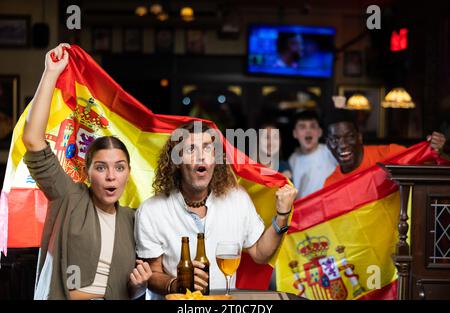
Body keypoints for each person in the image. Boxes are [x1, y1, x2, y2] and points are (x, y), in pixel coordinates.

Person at [22, 43, 151, 299]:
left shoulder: (134, 220)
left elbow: (130, 291)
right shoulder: (69, 198)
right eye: (101, 167)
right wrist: (51, 73)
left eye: (119, 167)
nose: (111, 176)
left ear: (128, 173)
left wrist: (139, 285)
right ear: (87, 171)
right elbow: (34, 140)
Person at [134, 121, 297, 299]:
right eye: (190, 150)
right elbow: (152, 273)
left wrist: (282, 216)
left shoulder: (237, 199)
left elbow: (260, 253)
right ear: (177, 161)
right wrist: (175, 284)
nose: (201, 157)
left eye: (207, 149)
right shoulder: (151, 210)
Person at [324, 109, 448, 187]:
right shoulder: (330, 185)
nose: (343, 144)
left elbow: (431, 165)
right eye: (335, 139)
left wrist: (436, 150)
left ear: (359, 138)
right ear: (328, 144)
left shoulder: (389, 154)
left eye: (349, 136)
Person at [288, 110, 337, 198]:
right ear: (295, 133)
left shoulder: (330, 152)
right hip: (304, 210)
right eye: (302, 127)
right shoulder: (293, 159)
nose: (308, 131)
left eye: (313, 126)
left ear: (320, 132)